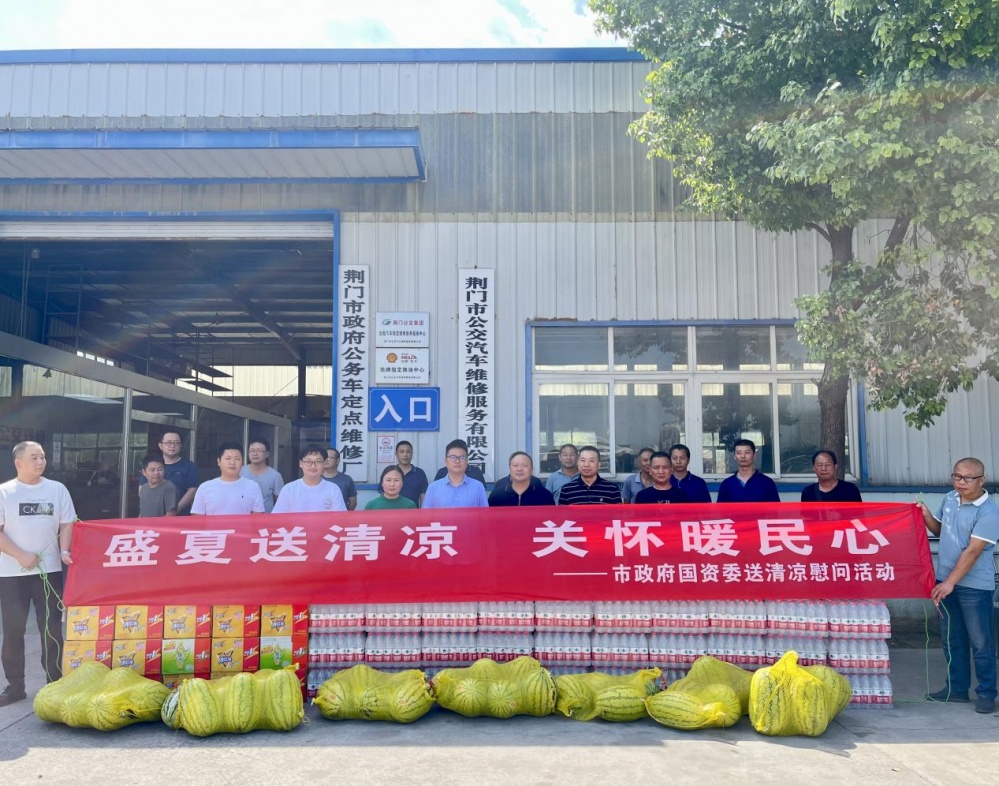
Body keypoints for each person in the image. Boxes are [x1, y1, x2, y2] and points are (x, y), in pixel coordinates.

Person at [920, 457, 999, 714]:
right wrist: (926, 515)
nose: (961, 482)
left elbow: (973, 551)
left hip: (974, 587)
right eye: (956, 476)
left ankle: (986, 692)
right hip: (946, 582)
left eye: (967, 478)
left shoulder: (989, 512)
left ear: (981, 480)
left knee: (981, 643)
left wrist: (950, 583)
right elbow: (941, 532)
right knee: (952, 640)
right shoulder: (950, 499)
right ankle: (956, 689)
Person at [0, 441, 76, 706]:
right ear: (18, 463)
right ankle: (15, 686)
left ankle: (55, 683)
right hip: (12, 574)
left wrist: (64, 550)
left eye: (42, 457)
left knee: (52, 628)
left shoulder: (57, 489)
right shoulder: (5, 492)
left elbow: (67, 523)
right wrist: (20, 555)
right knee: (13, 630)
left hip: (49, 571)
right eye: (34, 457)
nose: (41, 461)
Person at [190, 442, 265, 516]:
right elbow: (197, 519)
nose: (232, 462)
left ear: (242, 462)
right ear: (219, 461)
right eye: (228, 458)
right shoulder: (205, 487)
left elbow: (258, 519)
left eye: (237, 459)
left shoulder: (253, 487)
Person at [272, 445, 347, 513]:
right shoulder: (289, 489)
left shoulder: (333, 489)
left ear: (324, 464)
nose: (313, 466)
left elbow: (340, 518)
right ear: (301, 463)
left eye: (318, 461)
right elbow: (278, 517)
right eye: (308, 461)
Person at [140, 430, 198, 515]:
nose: (172, 446)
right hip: (153, 516)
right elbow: (142, 490)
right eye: (168, 443)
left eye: (176, 443)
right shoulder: (152, 465)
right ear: (160, 445)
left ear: (181, 445)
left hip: (180, 515)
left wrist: (173, 511)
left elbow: (192, 491)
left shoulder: (189, 466)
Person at [423, 439, 489, 509]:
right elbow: (426, 514)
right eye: (453, 457)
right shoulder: (433, 488)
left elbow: (485, 514)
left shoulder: (478, 487)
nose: (457, 461)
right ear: (445, 461)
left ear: (467, 461)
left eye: (462, 457)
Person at [716, 439, 780, 503]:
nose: (742, 456)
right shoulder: (727, 484)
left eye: (747, 452)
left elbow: (775, 508)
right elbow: (720, 508)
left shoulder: (767, 483)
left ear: (754, 456)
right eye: (738, 453)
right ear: (734, 456)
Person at [557, 446, 622, 506]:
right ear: (577, 463)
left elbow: (619, 513)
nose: (586, 465)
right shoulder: (566, 490)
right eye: (583, 460)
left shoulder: (612, 489)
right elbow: (561, 514)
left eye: (591, 461)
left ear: (599, 465)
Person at [488, 452, 556, 507]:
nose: (519, 469)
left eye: (525, 465)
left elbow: (551, 518)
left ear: (532, 469)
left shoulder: (545, 496)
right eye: (515, 465)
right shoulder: (496, 496)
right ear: (509, 468)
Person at [240, 437, 284, 513]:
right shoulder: (240, 472)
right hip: (242, 515)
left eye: (259, 450)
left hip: (265, 517)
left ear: (267, 454)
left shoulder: (275, 475)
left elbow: (281, 501)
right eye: (252, 450)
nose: (255, 453)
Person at [388, 441, 428, 507]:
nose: (405, 455)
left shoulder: (420, 473)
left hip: (413, 512)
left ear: (412, 454)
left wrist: (423, 512)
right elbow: (383, 496)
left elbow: (423, 497)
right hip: (392, 512)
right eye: (402, 452)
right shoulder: (389, 472)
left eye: (408, 452)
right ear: (396, 454)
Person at [137, 451, 178, 517]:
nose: (156, 473)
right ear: (144, 472)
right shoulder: (144, 488)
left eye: (160, 469)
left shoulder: (169, 488)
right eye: (152, 470)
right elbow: (142, 512)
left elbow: (171, 514)